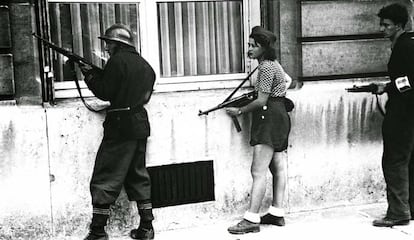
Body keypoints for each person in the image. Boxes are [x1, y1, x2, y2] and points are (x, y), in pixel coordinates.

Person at [80, 24, 156, 240]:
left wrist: (89, 76)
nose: (106, 48)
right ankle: (146, 228)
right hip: (140, 124)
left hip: (120, 127)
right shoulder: (145, 65)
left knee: (106, 176)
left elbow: (106, 92)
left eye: (108, 44)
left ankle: (97, 232)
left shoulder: (117, 61)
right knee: (138, 175)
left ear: (117, 44)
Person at [226, 26, 291, 234]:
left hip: (269, 117)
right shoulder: (274, 64)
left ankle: (251, 219)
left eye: (254, 46)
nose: (249, 49)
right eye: (249, 45)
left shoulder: (265, 67)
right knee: (277, 167)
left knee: (258, 171)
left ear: (264, 48)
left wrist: (240, 111)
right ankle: (277, 213)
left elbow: (261, 99)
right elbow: (287, 81)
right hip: (279, 115)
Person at [370, 3, 414, 227]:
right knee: (408, 160)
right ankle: (408, 207)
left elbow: (408, 82)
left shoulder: (404, 47)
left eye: (386, 25)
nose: (382, 29)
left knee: (394, 162)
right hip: (409, 113)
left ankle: (398, 212)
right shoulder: (409, 44)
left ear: (398, 26)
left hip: (402, 113)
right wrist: (387, 86)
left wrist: (388, 88)